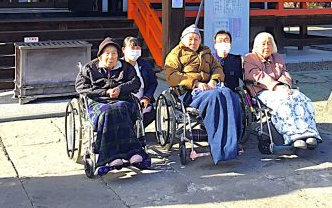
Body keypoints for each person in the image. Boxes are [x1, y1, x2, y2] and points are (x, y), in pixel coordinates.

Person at [164, 24, 241, 164]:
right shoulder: (175, 55)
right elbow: (172, 76)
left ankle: (232, 143)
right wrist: (196, 83)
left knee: (229, 94)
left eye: (196, 39)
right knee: (215, 97)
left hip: (210, 87)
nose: (193, 42)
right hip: (189, 92)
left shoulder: (206, 52)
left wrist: (214, 80)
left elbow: (217, 68)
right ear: (182, 39)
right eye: (190, 39)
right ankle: (220, 148)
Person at [75, 37, 151, 174]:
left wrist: (120, 89)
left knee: (121, 108)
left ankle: (130, 153)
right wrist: (105, 92)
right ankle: (114, 156)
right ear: (100, 55)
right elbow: (81, 87)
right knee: (108, 111)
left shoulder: (126, 67)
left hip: (122, 100)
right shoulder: (89, 68)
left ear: (118, 55)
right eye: (107, 53)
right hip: (99, 101)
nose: (111, 57)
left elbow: (135, 82)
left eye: (114, 53)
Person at [243, 32, 322, 149]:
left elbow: (284, 73)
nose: (266, 47)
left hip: (282, 88)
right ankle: (293, 136)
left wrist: (285, 85)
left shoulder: (277, 57)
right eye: (263, 44)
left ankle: (309, 133)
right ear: (256, 46)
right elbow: (257, 76)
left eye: (269, 43)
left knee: (302, 99)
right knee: (284, 104)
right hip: (262, 91)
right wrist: (276, 86)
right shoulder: (250, 58)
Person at [122, 36, 158, 127]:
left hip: (142, 99)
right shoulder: (119, 65)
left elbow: (153, 82)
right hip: (125, 100)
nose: (135, 50)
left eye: (137, 48)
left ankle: (138, 130)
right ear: (124, 50)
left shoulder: (144, 64)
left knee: (149, 112)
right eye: (132, 48)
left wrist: (147, 97)